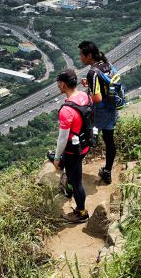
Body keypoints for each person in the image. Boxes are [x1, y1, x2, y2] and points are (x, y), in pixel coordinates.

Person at [50, 68, 91, 223]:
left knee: (77, 181)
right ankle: (68, 188)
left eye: (58, 84)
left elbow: (62, 139)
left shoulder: (66, 110)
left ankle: (81, 213)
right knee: (72, 172)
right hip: (85, 144)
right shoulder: (84, 96)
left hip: (73, 150)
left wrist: (57, 157)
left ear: (63, 85)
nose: (58, 86)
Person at [78, 40, 117, 184]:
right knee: (109, 141)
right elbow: (107, 85)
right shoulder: (107, 64)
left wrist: (87, 95)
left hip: (100, 112)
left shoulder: (92, 72)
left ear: (88, 55)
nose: (80, 58)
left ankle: (69, 168)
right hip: (112, 108)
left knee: (86, 139)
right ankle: (107, 172)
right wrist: (90, 85)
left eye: (81, 55)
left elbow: (97, 98)